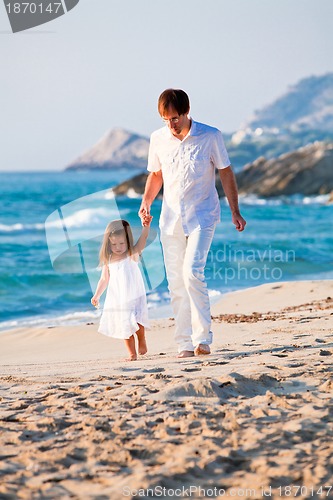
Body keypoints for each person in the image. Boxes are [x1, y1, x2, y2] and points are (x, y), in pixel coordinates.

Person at [139, 88, 246, 358]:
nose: (171, 124)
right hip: (170, 220)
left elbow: (225, 172)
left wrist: (235, 210)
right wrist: (146, 202)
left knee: (192, 273)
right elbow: (156, 174)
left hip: (203, 216)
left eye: (174, 118)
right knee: (176, 283)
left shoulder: (210, 136)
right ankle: (184, 343)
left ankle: (203, 339)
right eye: (166, 119)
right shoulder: (158, 139)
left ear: (186, 112)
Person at [91, 218, 152, 361]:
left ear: (128, 241)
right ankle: (132, 353)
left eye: (122, 243)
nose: (118, 247)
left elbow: (144, 238)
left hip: (134, 294)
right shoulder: (109, 259)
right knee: (124, 325)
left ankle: (141, 339)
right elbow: (104, 279)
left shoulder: (132, 253)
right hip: (119, 298)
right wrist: (97, 295)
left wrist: (146, 226)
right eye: (114, 244)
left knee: (137, 321)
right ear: (108, 243)